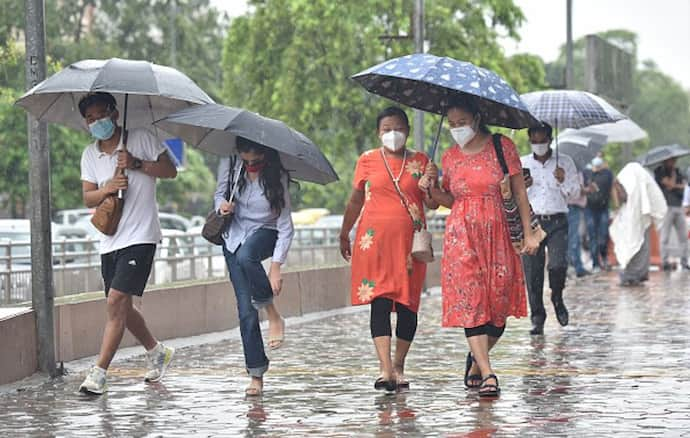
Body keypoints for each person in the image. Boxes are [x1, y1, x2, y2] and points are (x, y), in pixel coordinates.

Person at [421, 98, 539, 398]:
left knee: (497, 309)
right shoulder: (448, 157)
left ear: (476, 118)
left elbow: (520, 192)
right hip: (462, 235)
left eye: (461, 122)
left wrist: (529, 233)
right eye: (451, 124)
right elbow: (446, 200)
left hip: (499, 232)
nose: (456, 128)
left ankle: (476, 358)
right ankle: (488, 373)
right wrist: (431, 188)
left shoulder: (502, 146)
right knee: (471, 303)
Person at [78, 92, 178, 395]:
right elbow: (87, 198)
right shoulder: (89, 154)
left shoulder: (141, 138)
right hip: (110, 240)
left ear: (115, 113)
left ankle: (99, 373)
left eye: (101, 115)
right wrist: (109, 187)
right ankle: (156, 350)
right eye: (91, 119)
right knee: (120, 305)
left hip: (141, 236)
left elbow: (170, 170)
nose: (97, 123)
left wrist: (136, 163)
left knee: (114, 302)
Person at [339, 106, 437, 392]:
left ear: (407, 130)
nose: (392, 134)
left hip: (410, 247)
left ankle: (399, 365)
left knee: (408, 306)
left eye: (397, 128)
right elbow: (355, 200)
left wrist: (429, 184)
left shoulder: (421, 161)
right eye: (386, 129)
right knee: (379, 303)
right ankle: (384, 369)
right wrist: (345, 233)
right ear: (378, 132)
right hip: (374, 243)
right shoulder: (367, 160)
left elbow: (433, 203)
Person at [215, 136, 294, 397]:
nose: (251, 165)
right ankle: (256, 374)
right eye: (246, 160)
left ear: (266, 156)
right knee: (246, 312)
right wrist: (222, 206)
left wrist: (275, 266)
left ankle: (272, 315)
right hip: (234, 235)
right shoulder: (230, 164)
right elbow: (218, 194)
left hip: (265, 232)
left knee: (247, 256)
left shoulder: (277, 176)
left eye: (256, 161)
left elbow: (285, 226)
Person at [521, 123, 579, 336]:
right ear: (529, 140)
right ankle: (537, 317)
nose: (538, 144)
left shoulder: (564, 162)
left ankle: (557, 296)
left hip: (557, 221)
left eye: (542, 140)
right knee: (533, 272)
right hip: (532, 221)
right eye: (534, 141)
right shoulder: (522, 163)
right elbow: (512, 195)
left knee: (558, 264)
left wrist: (563, 181)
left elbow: (575, 194)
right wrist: (522, 185)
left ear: (550, 139)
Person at [610, 162, 667, 286]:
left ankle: (635, 274)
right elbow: (622, 200)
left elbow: (629, 198)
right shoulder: (630, 178)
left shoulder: (636, 178)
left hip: (639, 216)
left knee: (638, 245)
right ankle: (634, 274)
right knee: (634, 245)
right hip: (633, 217)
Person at [654, 157, 689, 270]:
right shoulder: (659, 171)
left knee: (683, 236)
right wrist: (674, 179)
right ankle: (665, 262)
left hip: (678, 206)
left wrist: (675, 184)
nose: (673, 162)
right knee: (665, 237)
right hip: (666, 207)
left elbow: (684, 186)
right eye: (671, 160)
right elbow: (669, 184)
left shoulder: (679, 171)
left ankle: (684, 261)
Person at [583, 156, 615, 271]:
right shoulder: (587, 173)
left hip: (603, 209)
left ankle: (604, 257)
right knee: (592, 236)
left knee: (603, 235)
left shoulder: (607, 174)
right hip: (589, 209)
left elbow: (612, 188)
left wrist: (616, 205)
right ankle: (595, 263)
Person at [567, 170, 590, 277]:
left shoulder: (579, 171)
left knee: (571, 238)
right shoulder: (570, 170)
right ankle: (576, 267)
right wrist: (587, 190)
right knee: (573, 238)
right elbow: (573, 192)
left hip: (574, 206)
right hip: (571, 207)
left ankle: (573, 266)